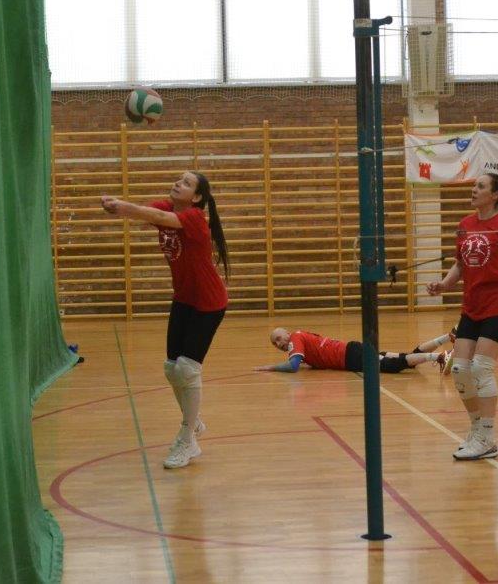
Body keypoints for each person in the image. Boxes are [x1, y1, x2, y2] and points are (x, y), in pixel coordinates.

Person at [101, 171, 230, 469]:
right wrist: (117, 208)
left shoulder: (194, 218)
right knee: (172, 368)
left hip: (209, 302)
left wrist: (124, 207)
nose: (178, 184)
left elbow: (153, 216)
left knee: (187, 368)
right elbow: (147, 213)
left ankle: (187, 438)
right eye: (179, 180)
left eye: (186, 183)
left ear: (197, 197)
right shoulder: (166, 207)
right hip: (184, 298)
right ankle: (193, 422)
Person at [427, 172, 498, 461]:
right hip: (471, 306)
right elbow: (460, 265)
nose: (474, 190)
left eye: (480, 186)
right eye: (474, 185)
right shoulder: (465, 225)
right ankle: (478, 429)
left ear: (495, 194)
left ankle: (486, 437)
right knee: (460, 370)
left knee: (481, 369)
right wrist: (443, 284)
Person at [255, 328, 453, 373]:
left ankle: (440, 356)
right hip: (352, 350)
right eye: (275, 344)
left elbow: (293, 366)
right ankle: (447, 337)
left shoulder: (294, 339)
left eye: (278, 339)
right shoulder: (300, 335)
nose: (279, 344)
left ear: (286, 333)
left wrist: (270, 367)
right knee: (405, 357)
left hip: (351, 357)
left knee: (394, 365)